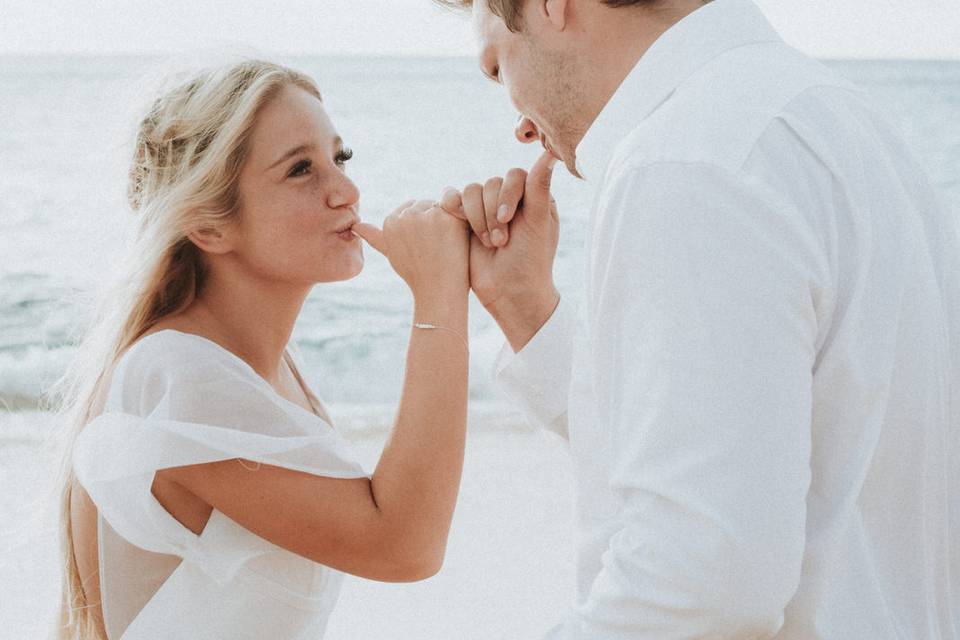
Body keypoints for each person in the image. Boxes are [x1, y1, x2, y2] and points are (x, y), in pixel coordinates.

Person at [435, 0, 960, 637]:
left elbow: (700, 583)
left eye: (497, 67)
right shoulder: (832, 113)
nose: (519, 125)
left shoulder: (686, 159)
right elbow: (741, 447)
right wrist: (524, 308)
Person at [49, 59, 471, 639]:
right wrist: (441, 296)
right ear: (210, 226)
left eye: (339, 158)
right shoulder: (182, 374)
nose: (346, 190)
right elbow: (404, 546)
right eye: (301, 169)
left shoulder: (258, 367)